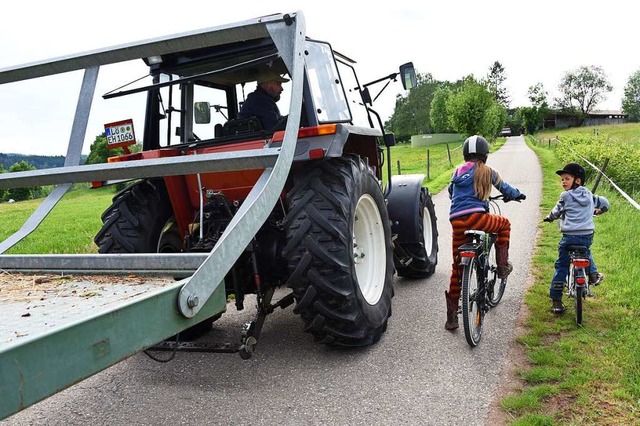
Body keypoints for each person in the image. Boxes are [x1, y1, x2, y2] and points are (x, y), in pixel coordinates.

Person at [445, 135, 525, 331]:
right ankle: (502, 266)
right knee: (504, 224)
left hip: (457, 221)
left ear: (465, 155)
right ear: (485, 155)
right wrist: (516, 194)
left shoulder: (457, 171)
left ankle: (451, 318)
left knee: (457, 266)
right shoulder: (488, 171)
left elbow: (450, 192)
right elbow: (505, 188)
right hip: (478, 218)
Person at [543, 162, 609, 314]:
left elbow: (556, 211)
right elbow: (605, 203)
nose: (563, 182)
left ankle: (556, 300)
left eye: (567, 178)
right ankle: (592, 274)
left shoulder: (565, 196)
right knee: (585, 250)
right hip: (587, 235)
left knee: (561, 266)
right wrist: (599, 211)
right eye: (562, 179)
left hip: (569, 237)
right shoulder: (589, 195)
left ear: (577, 181)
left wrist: (549, 218)